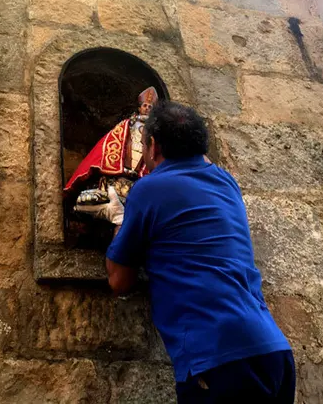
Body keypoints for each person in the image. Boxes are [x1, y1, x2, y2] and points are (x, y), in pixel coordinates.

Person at [75, 101, 295, 403]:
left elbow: (119, 280)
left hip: (220, 360)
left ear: (153, 147)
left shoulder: (150, 188)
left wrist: (120, 220)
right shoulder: (227, 183)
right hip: (273, 352)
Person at [64, 86, 159, 207]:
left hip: (139, 184)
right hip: (118, 179)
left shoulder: (154, 133)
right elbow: (110, 144)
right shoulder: (126, 125)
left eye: (150, 107)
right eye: (145, 106)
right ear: (139, 107)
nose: (147, 109)